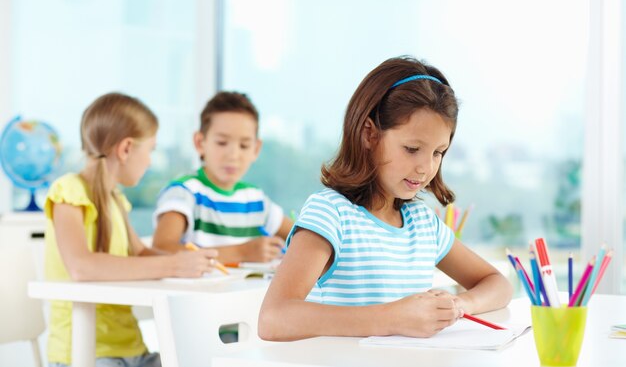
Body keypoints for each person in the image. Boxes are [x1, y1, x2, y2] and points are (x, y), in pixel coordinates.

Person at [258, 56, 513, 341]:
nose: (425, 167)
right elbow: (274, 318)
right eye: (412, 148)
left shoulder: (423, 224)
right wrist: (393, 318)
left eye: (438, 152)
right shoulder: (330, 214)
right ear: (369, 134)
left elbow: (497, 284)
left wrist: (459, 304)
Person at [44, 92, 218, 367]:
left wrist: (187, 261)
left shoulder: (116, 200)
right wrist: (172, 266)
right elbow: (81, 267)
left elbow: (140, 253)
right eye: (150, 150)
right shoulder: (69, 191)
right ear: (126, 149)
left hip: (133, 350)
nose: (150, 161)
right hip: (84, 353)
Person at [152, 91, 292, 263]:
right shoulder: (184, 193)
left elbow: (303, 237)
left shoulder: (256, 200)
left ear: (256, 149)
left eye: (244, 145)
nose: (233, 155)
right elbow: (161, 249)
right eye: (222, 143)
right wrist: (242, 253)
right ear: (199, 143)